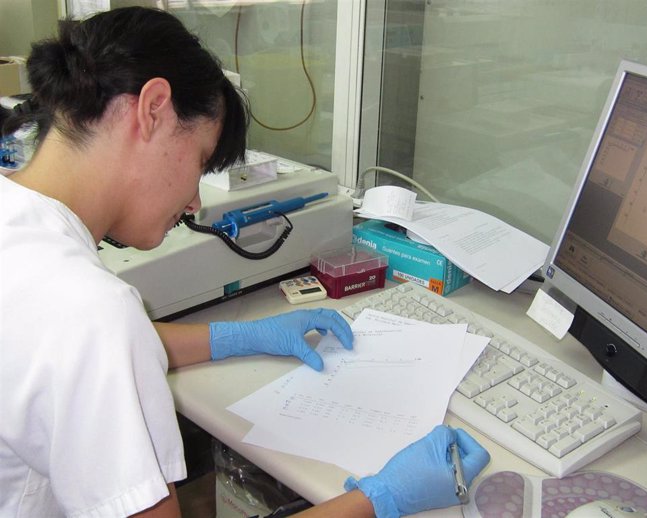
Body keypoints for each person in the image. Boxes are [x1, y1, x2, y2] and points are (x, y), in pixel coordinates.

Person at [0, 7, 489, 518]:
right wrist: (376, 499)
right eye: (200, 160)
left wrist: (238, 337)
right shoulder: (87, 312)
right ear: (153, 109)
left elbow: (69, 353)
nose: (194, 202)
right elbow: (90, 339)